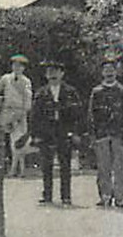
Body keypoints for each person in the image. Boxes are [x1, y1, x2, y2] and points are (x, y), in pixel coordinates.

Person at [31, 58, 84, 206]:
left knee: (65, 165)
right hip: (46, 133)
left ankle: (66, 196)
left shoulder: (70, 92)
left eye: (55, 72)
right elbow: (35, 115)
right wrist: (35, 135)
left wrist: (75, 133)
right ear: (46, 75)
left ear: (62, 74)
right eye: (49, 72)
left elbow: (78, 114)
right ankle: (47, 195)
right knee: (46, 165)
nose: (52, 75)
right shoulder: (41, 93)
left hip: (64, 131)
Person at [88, 59, 123, 209]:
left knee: (120, 167)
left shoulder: (122, 91)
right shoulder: (96, 92)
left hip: (118, 134)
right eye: (106, 70)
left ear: (116, 72)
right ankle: (105, 195)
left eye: (111, 70)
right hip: (101, 134)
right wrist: (92, 134)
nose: (109, 72)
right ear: (102, 73)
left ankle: (120, 197)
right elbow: (91, 114)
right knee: (103, 167)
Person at [0, 54, 35, 178]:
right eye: (14, 65)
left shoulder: (26, 81)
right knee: (3, 139)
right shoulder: (6, 78)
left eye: (20, 66)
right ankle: (3, 166)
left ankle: (17, 169)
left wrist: (24, 112)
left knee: (19, 142)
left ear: (23, 68)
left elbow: (28, 98)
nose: (17, 68)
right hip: (7, 111)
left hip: (20, 112)